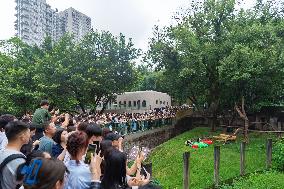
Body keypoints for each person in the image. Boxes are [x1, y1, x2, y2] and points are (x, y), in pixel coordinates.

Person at [0, 121, 30, 189]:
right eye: (28, 133)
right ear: (22, 137)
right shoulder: (20, 160)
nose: (30, 135)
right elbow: (28, 182)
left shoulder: (1, 152)